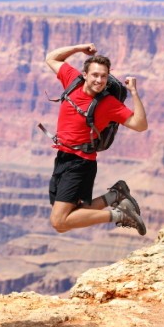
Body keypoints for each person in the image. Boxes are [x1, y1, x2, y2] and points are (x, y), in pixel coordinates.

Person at [44, 43, 148, 236]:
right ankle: (116, 195)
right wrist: (80, 48)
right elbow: (51, 57)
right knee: (68, 220)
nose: (99, 80)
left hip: (80, 162)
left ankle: (121, 215)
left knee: (59, 221)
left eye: (103, 76)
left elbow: (140, 125)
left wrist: (134, 92)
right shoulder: (72, 80)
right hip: (63, 157)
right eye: (95, 75)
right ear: (84, 74)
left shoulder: (108, 103)